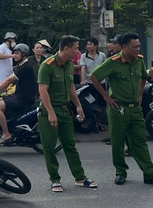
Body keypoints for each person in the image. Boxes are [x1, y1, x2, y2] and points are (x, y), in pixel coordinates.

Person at [90, 33, 153, 186]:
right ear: (124, 47)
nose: (138, 49)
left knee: (140, 142)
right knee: (118, 141)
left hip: (135, 109)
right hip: (118, 108)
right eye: (135, 47)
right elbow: (94, 76)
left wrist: (140, 95)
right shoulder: (113, 62)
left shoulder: (138, 60)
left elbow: (143, 77)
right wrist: (106, 96)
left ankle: (150, 174)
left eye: (138, 46)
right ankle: (120, 172)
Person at [37, 35, 97, 192]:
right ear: (66, 49)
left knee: (70, 145)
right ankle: (55, 179)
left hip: (64, 109)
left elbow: (71, 87)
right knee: (49, 146)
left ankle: (80, 177)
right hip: (49, 110)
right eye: (76, 48)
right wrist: (50, 113)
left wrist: (78, 105)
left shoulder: (69, 65)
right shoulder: (47, 65)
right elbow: (43, 91)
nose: (78, 51)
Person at [0, 43, 37, 145]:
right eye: (14, 53)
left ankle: (6, 133)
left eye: (17, 53)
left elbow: (8, 80)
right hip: (19, 95)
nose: (15, 55)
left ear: (24, 55)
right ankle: (9, 124)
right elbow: (8, 80)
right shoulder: (22, 66)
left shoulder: (26, 67)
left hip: (24, 98)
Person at [80, 37, 107, 132]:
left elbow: (104, 68)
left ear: (95, 46)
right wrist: (83, 80)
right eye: (87, 44)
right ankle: (94, 123)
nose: (88, 46)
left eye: (91, 44)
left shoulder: (102, 55)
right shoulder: (84, 56)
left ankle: (100, 123)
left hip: (101, 82)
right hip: (89, 83)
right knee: (91, 103)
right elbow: (83, 68)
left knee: (101, 104)